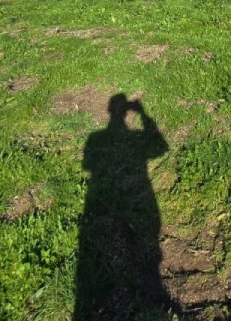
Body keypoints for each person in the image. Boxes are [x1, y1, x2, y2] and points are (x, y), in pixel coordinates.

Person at [74, 94, 172, 319]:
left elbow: (88, 164)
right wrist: (144, 116)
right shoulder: (101, 137)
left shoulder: (96, 138)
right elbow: (160, 147)